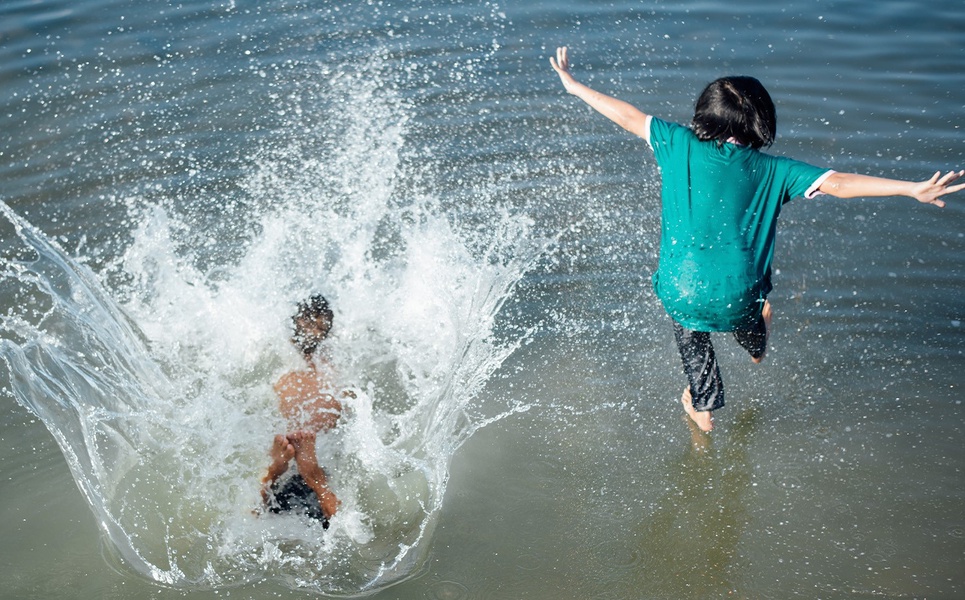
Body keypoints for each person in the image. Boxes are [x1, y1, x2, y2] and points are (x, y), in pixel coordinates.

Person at [550, 46, 964, 432]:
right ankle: (755, 348)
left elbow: (624, 114)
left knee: (692, 325)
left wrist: (573, 84)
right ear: (761, 122)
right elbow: (839, 183)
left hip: (681, 290)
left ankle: (703, 408)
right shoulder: (776, 171)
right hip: (739, 295)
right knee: (745, 312)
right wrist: (911, 188)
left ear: (706, 115)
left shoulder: (675, 142)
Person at [260, 295, 342, 526]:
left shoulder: (280, 378)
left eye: (317, 325)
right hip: (315, 478)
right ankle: (306, 476)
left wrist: (275, 470)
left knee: (260, 511)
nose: (313, 330)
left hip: (294, 483)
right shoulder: (334, 381)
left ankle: (283, 471)